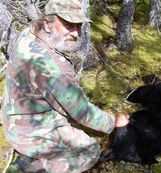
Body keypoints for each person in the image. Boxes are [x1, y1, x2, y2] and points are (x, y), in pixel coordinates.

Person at [1, 0, 129, 172]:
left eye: (78, 25)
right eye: (68, 25)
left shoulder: (28, 34)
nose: (76, 33)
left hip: (15, 119)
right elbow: (82, 111)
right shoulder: (53, 68)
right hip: (32, 131)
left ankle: (32, 156)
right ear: (47, 24)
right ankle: (29, 168)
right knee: (89, 151)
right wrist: (113, 122)